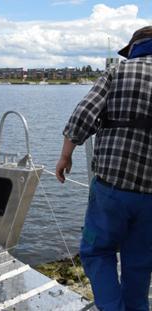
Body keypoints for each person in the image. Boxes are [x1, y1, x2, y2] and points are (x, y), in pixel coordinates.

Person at [56, 26, 152, 311]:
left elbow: (84, 113)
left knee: (97, 252)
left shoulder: (118, 72)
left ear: (134, 48)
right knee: (140, 261)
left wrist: (65, 156)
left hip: (112, 187)